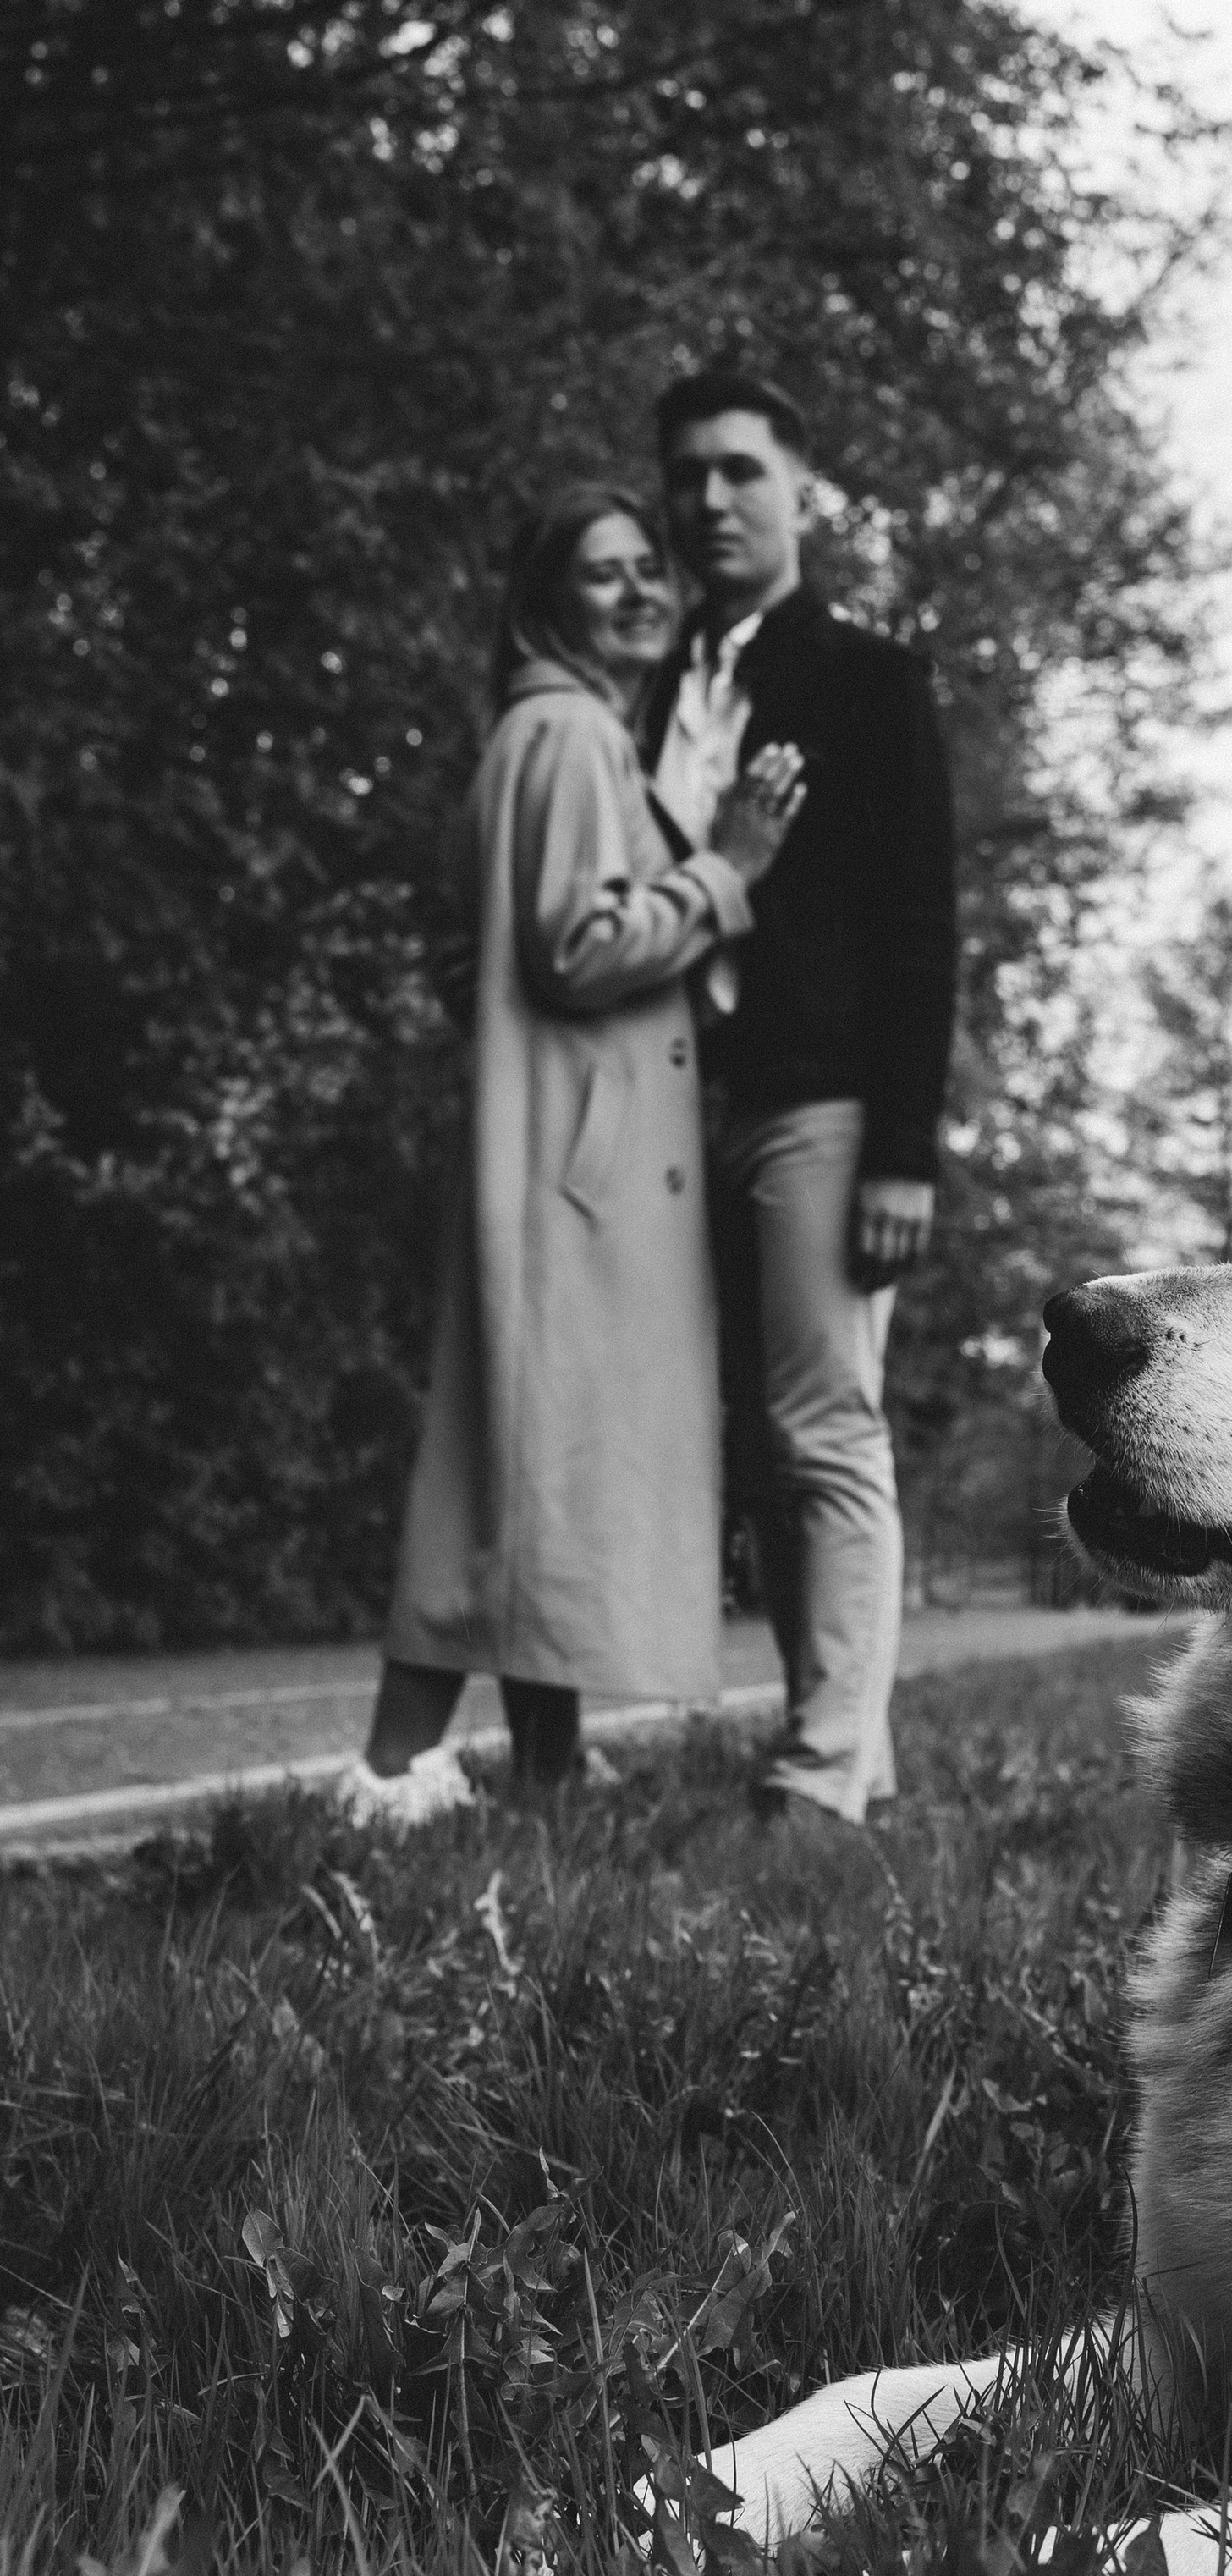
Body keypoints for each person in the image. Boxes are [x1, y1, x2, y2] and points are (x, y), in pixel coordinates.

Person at [339, 483, 804, 1828]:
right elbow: (580, 945)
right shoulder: (570, 737)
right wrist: (728, 869)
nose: (642, 591)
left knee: (535, 1464)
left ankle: (541, 1770)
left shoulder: (547, 734)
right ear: (548, 602)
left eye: (648, 569)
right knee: (509, 1469)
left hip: (556, 1158)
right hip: (572, 1177)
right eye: (604, 575)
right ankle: (384, 1778)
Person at [651, 366, 958, 1827]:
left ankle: (824, 1775)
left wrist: (907, 1147)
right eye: (690, 477)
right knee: (766, 1454)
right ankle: (841, 1744)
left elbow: (922, 924)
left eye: (741, 472)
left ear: (797, 491)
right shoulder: (654, 688)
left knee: (829, 1426)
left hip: (827, 1109)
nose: (712, 500)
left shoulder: (869, 680)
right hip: (675, 1113)